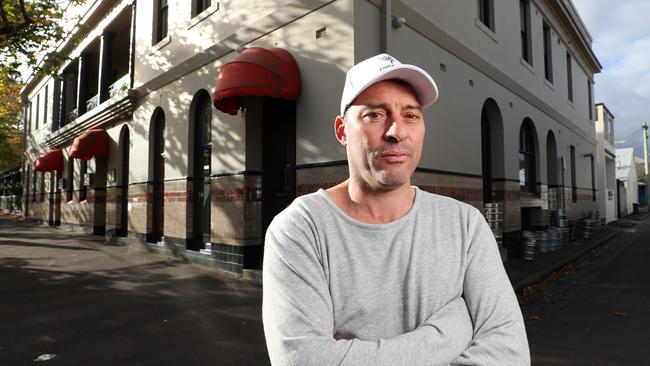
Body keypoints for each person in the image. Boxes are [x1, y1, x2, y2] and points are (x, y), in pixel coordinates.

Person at [262, 53, 530, 365]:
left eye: (411, 115)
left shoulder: (465, 225)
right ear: (342, 131)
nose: (396, 131)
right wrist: (451, 330)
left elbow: (509, 353)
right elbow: (303, 360)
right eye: (375, 115)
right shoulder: (300, 229)